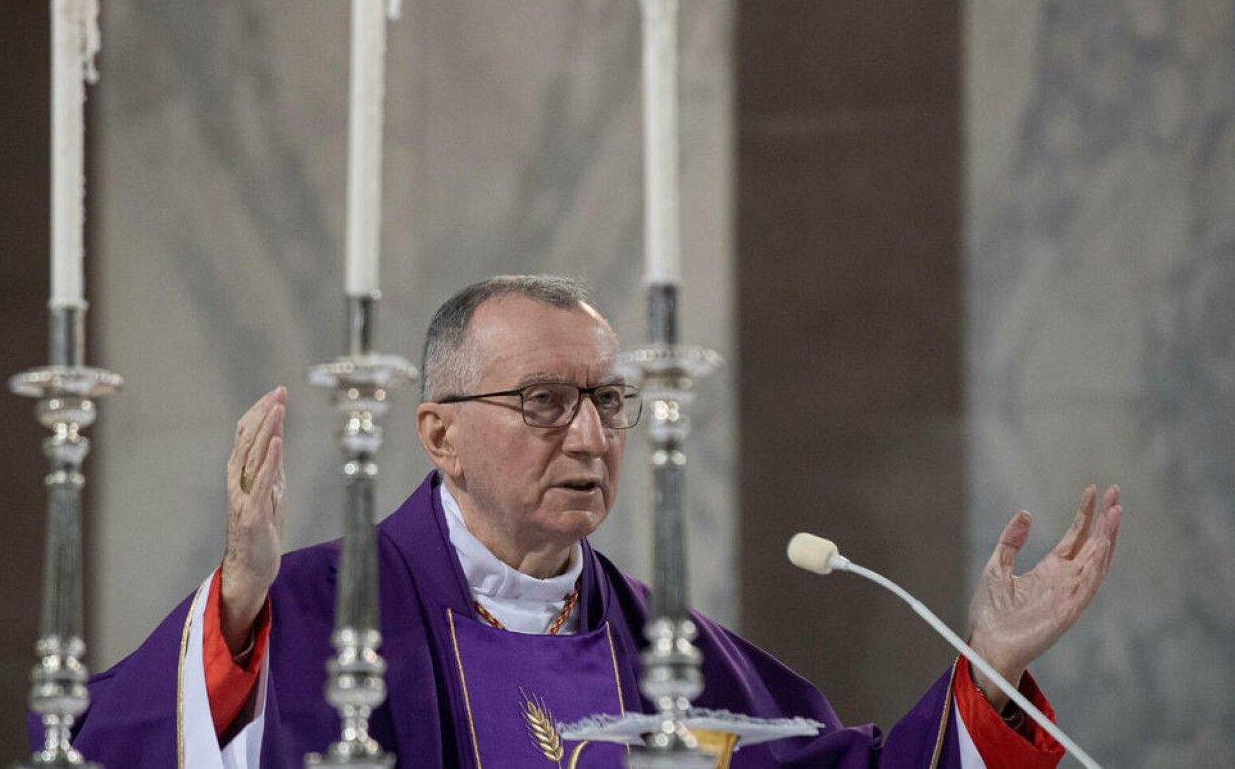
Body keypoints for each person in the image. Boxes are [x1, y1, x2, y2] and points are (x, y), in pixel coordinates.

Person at [63, 275, 1123, 768]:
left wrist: (984, 669)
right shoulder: (302, 614)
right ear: (437, 432)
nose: (589, 436)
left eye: (609, 401)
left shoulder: (678, 661)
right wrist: (236, 616)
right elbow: (93, 749)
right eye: (542, 402)